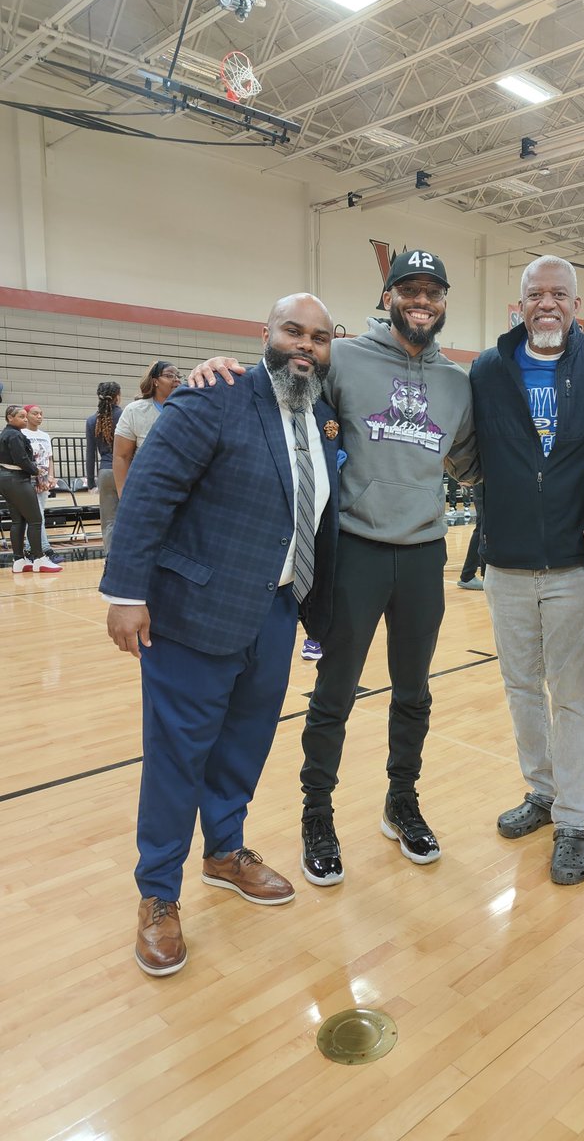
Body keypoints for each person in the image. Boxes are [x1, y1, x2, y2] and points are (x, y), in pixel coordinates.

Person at [188, 250, 479, 887]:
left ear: (444, 302)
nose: (420, 301)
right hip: (355, 549)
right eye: (409, 290)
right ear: (389, 296)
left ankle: (401, 802)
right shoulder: (343, 358)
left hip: (426, 550)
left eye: (432, 291)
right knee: (335, 693)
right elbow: (277, 398)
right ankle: (316, 814)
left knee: (414, 691)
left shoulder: (460, 384)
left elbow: (473, 464)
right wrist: (218, 369)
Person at [101, 294, 342, 976]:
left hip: (274, 611)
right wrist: (125, 593)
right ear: (263, 334)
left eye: (319, 337)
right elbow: (148, 491)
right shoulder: (215, 394)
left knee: (245, 742)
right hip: (192, 613)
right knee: (178, 756)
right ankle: (157, 895)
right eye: (293, 331)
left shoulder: (320, 416)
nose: (305, 345)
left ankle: (224, 851)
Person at [469, 255, 584, 884]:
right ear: (520, 305)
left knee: (573, 697)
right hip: (505, 563)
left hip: (572, 564)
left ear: (576, 305)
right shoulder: (489, 368)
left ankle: (573, 819)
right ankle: (539, 793)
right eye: (535, 295)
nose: (547, 305)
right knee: (518, 688)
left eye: (558, 295)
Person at [0, 405, 62, 573]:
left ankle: (19, 560)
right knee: (35, 519)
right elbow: (21, 459)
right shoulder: (13, 435)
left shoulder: (9, 433)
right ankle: (40, 558)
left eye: (24, 416)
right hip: (17, 480)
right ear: (10, 418)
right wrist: (38, 471)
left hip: (7, 480)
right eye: (21, 417)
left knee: (17, 521)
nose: (25, 419)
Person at [113, 360, 181, 494]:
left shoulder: (189, 408)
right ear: (155, 381)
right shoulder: (134, 411)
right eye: (169, 375)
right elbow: (121, 456)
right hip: (147, 488)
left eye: (178, 376)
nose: (176, 380)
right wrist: (123, 493)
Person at [85, 381, 123, 552]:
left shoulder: (92, 420)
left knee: (108, 520)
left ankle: (110, 559)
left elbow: (90, 453)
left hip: (105, 472)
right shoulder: (125, 415)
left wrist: (91, 482)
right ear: (117, 396)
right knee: (130, 516)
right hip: (125, 471)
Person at [22, 404, 62, 562]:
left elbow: (50, 458)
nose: (39, 416)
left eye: (41, 413)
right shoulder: (21, 433)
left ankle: (29, 548)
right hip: (29, 479)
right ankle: (46, 549)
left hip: (44, 480)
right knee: (36, 515)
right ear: (26, 415)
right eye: (35, 413)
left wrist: (51, 476)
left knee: (37, 515)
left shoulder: (45, 435)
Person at [457, 482, 485, 589]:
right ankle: (467, 575)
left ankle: (483, 575)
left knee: (484, 527)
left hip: (484, 481)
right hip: (483, 482)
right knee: (483, 526)